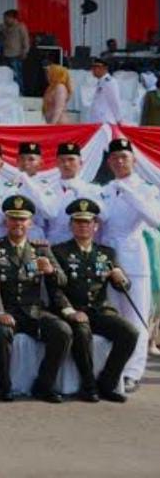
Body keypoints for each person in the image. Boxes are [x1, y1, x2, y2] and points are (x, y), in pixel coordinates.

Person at [0, 195, 69, 403]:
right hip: (5, 308)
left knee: (62, 331)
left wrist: (50, 271)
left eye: (22, 219)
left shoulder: (41, 249)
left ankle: (44, 385)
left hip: (33, 310)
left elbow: (63, 280)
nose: (18, 224)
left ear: (30, 222)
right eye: (13, 218)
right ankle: (4, 386)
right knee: (0, 332)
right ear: (6, 221)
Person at [50, 199, 138, 403]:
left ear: (96, 226)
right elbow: (55, 289)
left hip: (100, 310)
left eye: (88, 222)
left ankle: (107, 383)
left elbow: (122, 286)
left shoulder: (106, 253)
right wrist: (69, 311)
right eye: (78, 222)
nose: (83, 226)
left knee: (130, 333)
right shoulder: (59, 252)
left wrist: (121, 277)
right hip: (74, 310)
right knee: (81, 330)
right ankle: (88, 385)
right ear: (71, 225)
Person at [98, 138, 160, 391]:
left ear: (134, 160)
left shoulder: (146, 188)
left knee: (135, 315)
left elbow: (155, 219)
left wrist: (130, 192)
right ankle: (110, 368)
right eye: (114, 158)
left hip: (134, 257)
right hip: (107, 258)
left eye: (124, 157)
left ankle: (132, 371)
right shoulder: (105, 188)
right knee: (111, 315)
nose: (119, 162)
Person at [45, 143, 101, 245]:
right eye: (62, 160)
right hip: (53, 244)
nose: (66, 164)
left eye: (71, 160)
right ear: (56, 163)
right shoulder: (47, 189)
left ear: (80, 163)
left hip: (81, 244)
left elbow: (101, 219)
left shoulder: (93, 190)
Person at [87, 58, 122, 124]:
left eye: (97, 67)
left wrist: (118, 119)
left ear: (105, 68)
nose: (93, 70)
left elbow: (114, 101)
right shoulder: (101, 82)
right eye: (93, 67)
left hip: (105, 121)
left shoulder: (109, 82)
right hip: (98, 121)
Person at [2, 9, 30, 89]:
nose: (5, 20)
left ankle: (20, 93)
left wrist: (25, 52)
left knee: (17, 76)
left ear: (12, 18)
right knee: (6, 76)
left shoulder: (21, 27)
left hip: (16, 55)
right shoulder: (5, 28)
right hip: (5, 55)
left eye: (6, 18)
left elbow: (26, 40)